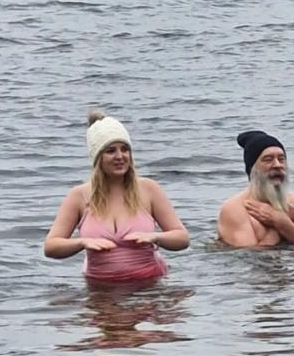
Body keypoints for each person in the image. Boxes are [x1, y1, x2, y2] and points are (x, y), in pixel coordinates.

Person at [44, 111, 189, 282]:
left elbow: (182, 238)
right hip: (99, 286)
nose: (120, 156)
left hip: (148, 285)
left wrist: (155, 237)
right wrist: (82, 242)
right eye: (111, 151)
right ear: (98, 158)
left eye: (125, 149)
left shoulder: (148, 189)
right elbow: (51, 246)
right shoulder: (79, 195)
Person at [217, 130, 294, 249]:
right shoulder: (234, 208)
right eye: (268, 159)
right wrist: (280, 223)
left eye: (281, 159)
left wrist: (284, 223)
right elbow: (250, 254)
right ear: (253, 169)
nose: (277, 165)